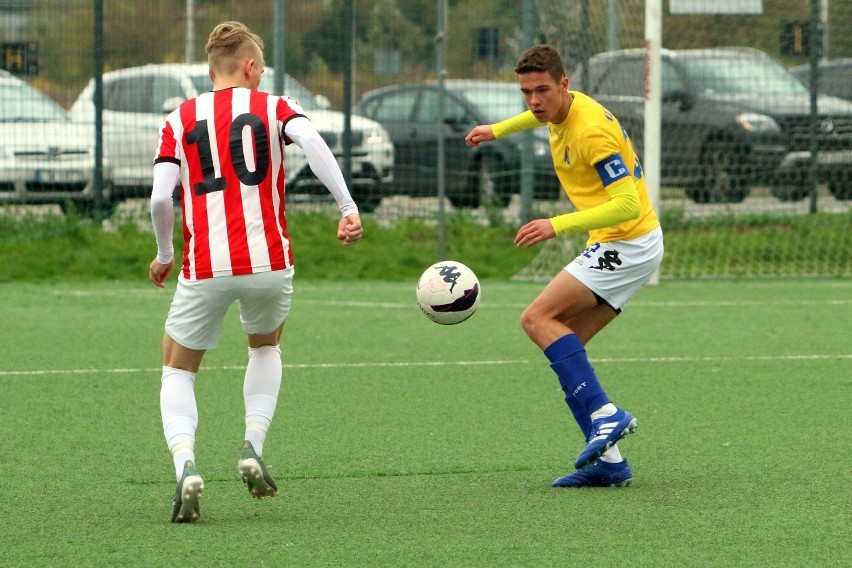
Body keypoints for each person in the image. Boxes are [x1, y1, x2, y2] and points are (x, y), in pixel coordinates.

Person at [148, 21, 363, 522]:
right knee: (264, 347)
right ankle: (252, 444)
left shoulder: (180, 118)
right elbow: (311, 139)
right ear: (249, 67)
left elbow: (161, 196)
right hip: (270, 261)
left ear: (211, 70)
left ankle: (186, 467)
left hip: (207, 266)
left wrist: (164, 252)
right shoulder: (274, 106)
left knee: (177, 369)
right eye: (260, 70)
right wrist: (347, 206)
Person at [465, 45, 663, 488]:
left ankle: (607, 414)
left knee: (536, 318)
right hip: (630, 242)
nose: (534, 101)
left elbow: (627, 202)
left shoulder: (591, 131)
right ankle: (610, 463)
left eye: (542, 91)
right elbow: (536, 116)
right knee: (564, 346)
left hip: (627, 242)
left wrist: (555, 225)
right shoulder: (557, 110)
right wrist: (496, 130)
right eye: (526, 92)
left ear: (564, 85)